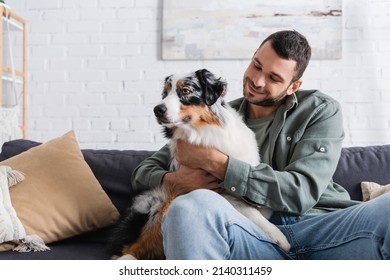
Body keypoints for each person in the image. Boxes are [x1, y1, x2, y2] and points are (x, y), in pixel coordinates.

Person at [131, 30, 390, 259]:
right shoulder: (214, 116)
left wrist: (216, 163)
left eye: (274, 78)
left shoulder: (320, 110)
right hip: (249, 235)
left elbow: (301, 194)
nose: (257, 80)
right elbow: (143, 172)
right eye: (256, 65)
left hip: (324, 228)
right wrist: (174, 181)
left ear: (293, 86)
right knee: (187, 208)